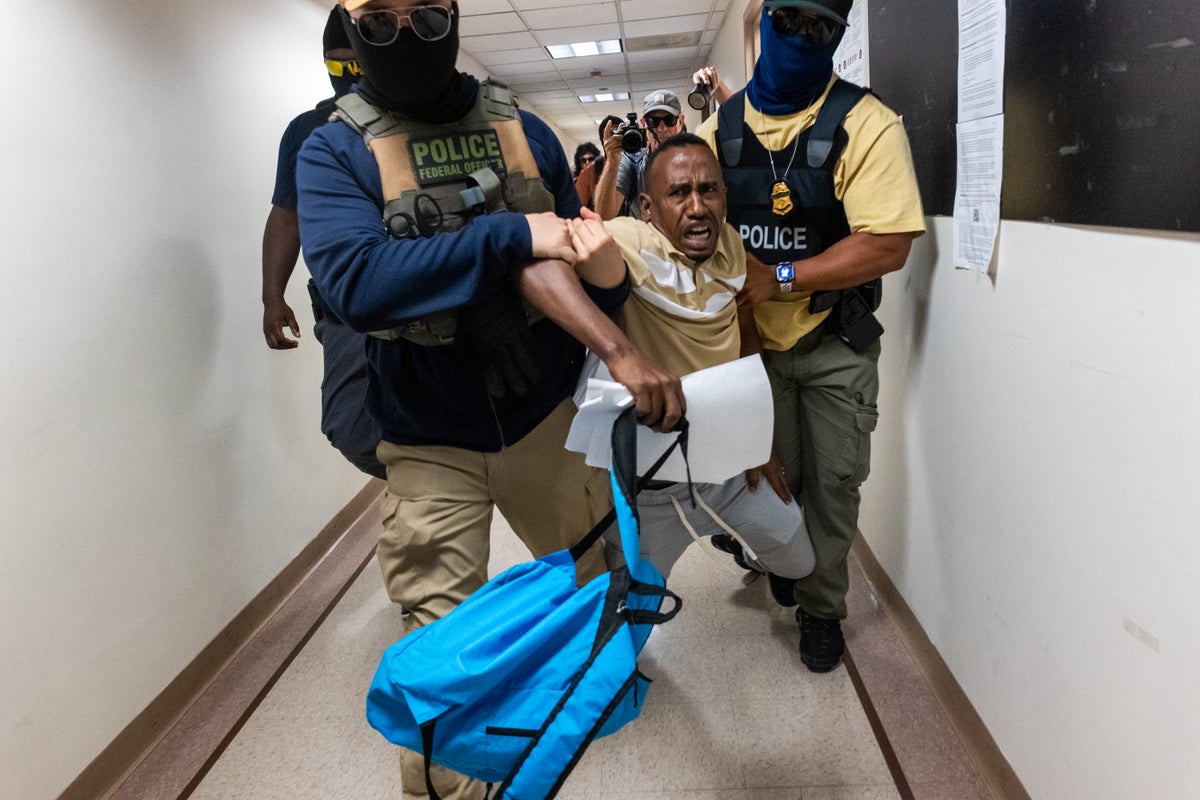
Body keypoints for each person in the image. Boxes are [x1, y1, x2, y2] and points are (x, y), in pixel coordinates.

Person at [296, 2, 683, 797]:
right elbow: (357, 284)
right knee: (439, 669)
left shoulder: (525, 131)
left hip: (544, 417)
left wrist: (593, 283)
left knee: (600, 590)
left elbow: (586, 274)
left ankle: (580, 704)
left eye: (426, 15)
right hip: (427, 435)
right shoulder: (333, 149)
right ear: (351, 26)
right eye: (379, 20)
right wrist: (509, 238)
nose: (405, 35)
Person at [697, 0, 925, 673]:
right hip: (750, 348)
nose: (802, 37)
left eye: (820, 28)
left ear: (838, 35)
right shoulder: (717, 133)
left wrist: (782, 277)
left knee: (834, 485)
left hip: (833, 340)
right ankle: (784, 563)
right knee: (772, 478)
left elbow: (888, 244)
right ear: (766, 17)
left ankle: (822, 608)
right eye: (789, 21)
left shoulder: (867, 123)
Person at [571, 134, 816, 583]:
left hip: (729, 472)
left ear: (725, 197)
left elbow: (746, 331)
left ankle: (741, 547)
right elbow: (563, 254)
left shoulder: (732, 245)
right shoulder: (627, 241)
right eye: (679, 192)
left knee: (800, 563)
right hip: (650, 492)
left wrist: (758, 443)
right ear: (648, 208)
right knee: (632, 614)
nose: (698, 206)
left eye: (709, 190)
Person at [261, 6, 384, 479]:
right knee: (351, 427)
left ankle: (436, 485)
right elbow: (286, 216)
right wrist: (273, 298)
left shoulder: (412, 118)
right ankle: (419, 477)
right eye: (337, 64)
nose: (348, 76)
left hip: (419, 290)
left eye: (357, 63)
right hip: (345, 304)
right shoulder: (308, 129)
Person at [593, 89, 686, 220]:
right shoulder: (632, 161)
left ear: (680, 121)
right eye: (653, 121)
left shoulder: (693, 161)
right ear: (643, 123)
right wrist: (612, 163)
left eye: (669, 120)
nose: (662, 129)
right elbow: (604, 215)